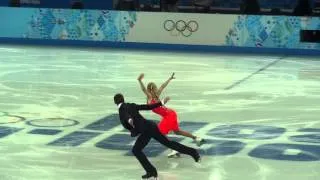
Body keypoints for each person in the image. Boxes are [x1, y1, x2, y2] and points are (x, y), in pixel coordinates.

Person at [114, 93, 201, 179]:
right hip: (150, 126)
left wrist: (129, 119)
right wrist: (161, 103)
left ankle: (151, 172)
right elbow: (147, 107)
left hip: (146, 130)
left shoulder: (122, 109)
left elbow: (126, 115)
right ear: (123, 99)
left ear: (115, 102)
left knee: (136, 150)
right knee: (168, 143)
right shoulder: (130, 105)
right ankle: (193, 153)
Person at [137, 73, 205, 158]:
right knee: (177, 132)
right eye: (154, 89)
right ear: (150, 90)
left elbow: (162, 86)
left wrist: (169, 79)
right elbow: (149, 88)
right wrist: (140, 81)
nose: (156, 90)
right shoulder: (151, 96)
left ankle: (174, 150)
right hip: (170, 114)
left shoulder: (154, 96)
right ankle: (196, 138)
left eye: (155, 89)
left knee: (161, 134)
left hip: (169, 115)